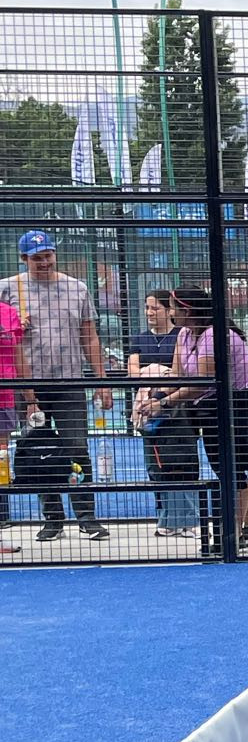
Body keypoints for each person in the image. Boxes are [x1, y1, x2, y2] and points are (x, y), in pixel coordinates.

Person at [0, 231, 110, 542]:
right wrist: (12, 327)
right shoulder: (8, 289)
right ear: (24, 259)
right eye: (37, 258)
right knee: (40, 450)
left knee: (77, 447)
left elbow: (89, 336)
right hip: (27, 385)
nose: (44, 262)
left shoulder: (77, 288)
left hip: (69, 382)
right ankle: (52, 518)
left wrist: (101, 381)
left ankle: (87, 516)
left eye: (48, 255)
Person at [163, 290, 248, 550]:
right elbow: (177, 375)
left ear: (187, 311)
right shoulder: (184, 334)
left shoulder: (214, 335)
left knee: (231, 469)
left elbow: (203, 383)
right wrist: (155, 396)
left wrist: (165, 403)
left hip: (235, 406)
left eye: (173, 307)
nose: (170, 312)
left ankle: (231, 536)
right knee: (228, 469)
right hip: (210, 407)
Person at [128, 289, 199, 534]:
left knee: (181, 461)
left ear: (169, 311)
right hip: (147, 409)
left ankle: (189, 520)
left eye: (155, 308)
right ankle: (166, 519)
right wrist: (160, 372)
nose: (149, 312)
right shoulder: (139, 339)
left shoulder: (181, 335)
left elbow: (182, 372)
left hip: (178, 409)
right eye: (147, 308)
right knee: (155, 465)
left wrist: (154, 373)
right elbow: (133, 372)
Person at [0, 280, 21, 555]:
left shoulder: (8, 312)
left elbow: (17, 353)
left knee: (0, 461)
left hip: (4, 396)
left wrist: (28, 395)